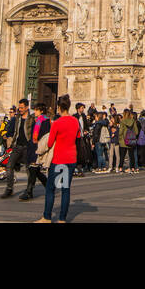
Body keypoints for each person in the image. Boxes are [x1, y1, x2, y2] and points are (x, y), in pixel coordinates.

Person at [38, 95, 80, 223]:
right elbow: (77, 138)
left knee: (51, 189)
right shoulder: (75, 121)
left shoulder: (57, 123)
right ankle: (62, 219)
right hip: (71, 159)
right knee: (65, 190)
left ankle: (47, 217)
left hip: (58, 160)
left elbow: (50, 143)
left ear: (60, 107)